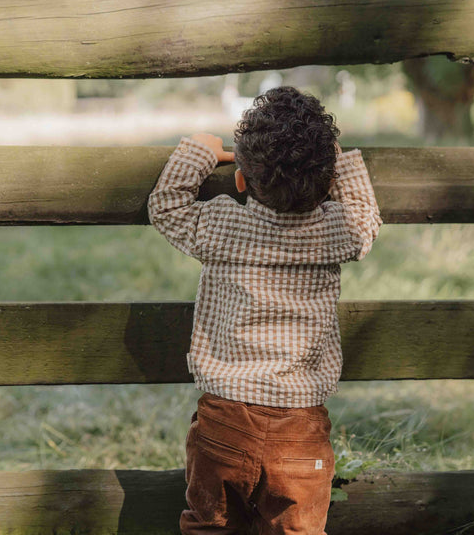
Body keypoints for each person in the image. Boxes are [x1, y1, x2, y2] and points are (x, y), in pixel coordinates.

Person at [147, 86, 381, 534]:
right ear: (325, 179)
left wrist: (197, 152)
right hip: (301, 428)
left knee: (210, 526)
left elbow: (166, 206)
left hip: (225, 421)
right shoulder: (336, 228)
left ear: (240, 179)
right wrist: (341, 162)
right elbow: (366, 217)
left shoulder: (220, 224)